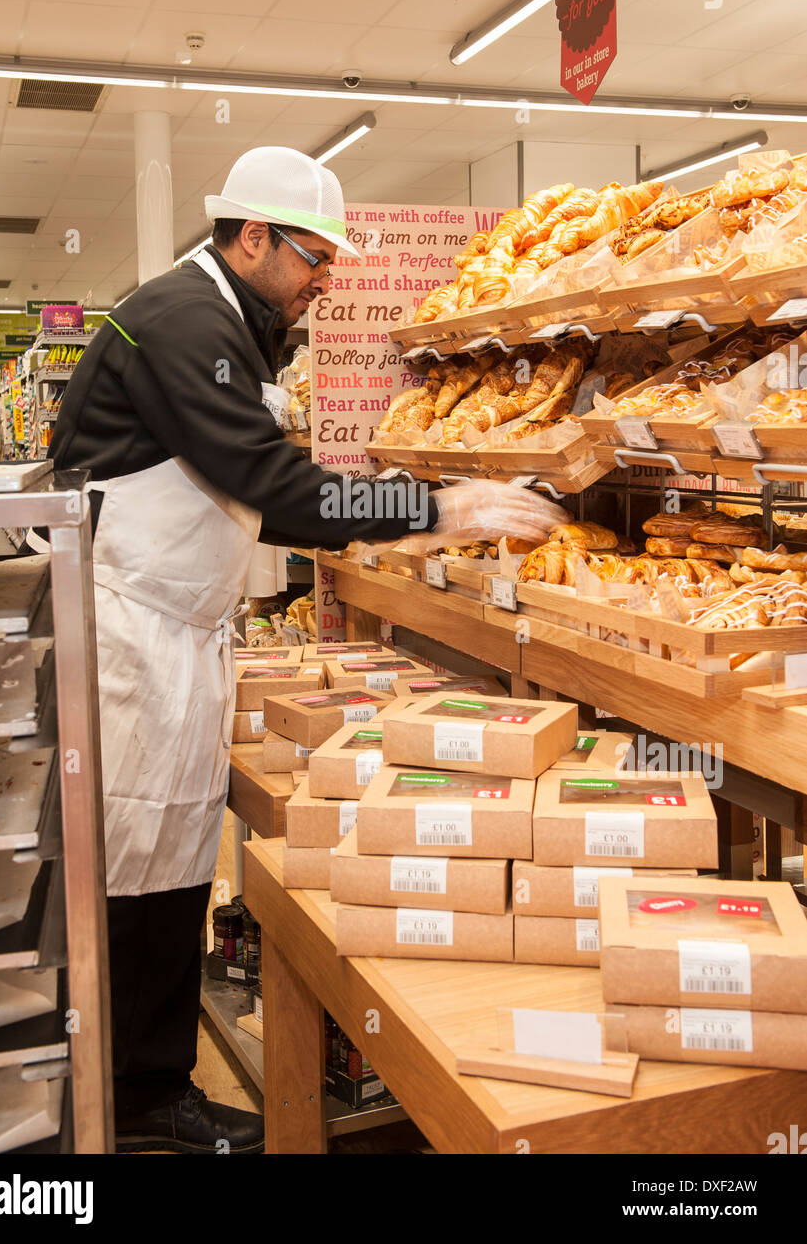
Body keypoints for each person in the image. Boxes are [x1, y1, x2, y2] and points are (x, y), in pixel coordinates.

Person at [47, 146, 565, 1153]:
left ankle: (146, 1081)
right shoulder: (183, 325)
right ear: (250, 237)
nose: (327, 280)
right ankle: (123, 1099)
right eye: (313, 256)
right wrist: (435, 506)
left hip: (176, 626)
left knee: (173, 850)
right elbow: (278, 490)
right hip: (129, 631)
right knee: (129, 863)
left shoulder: (230, 321)